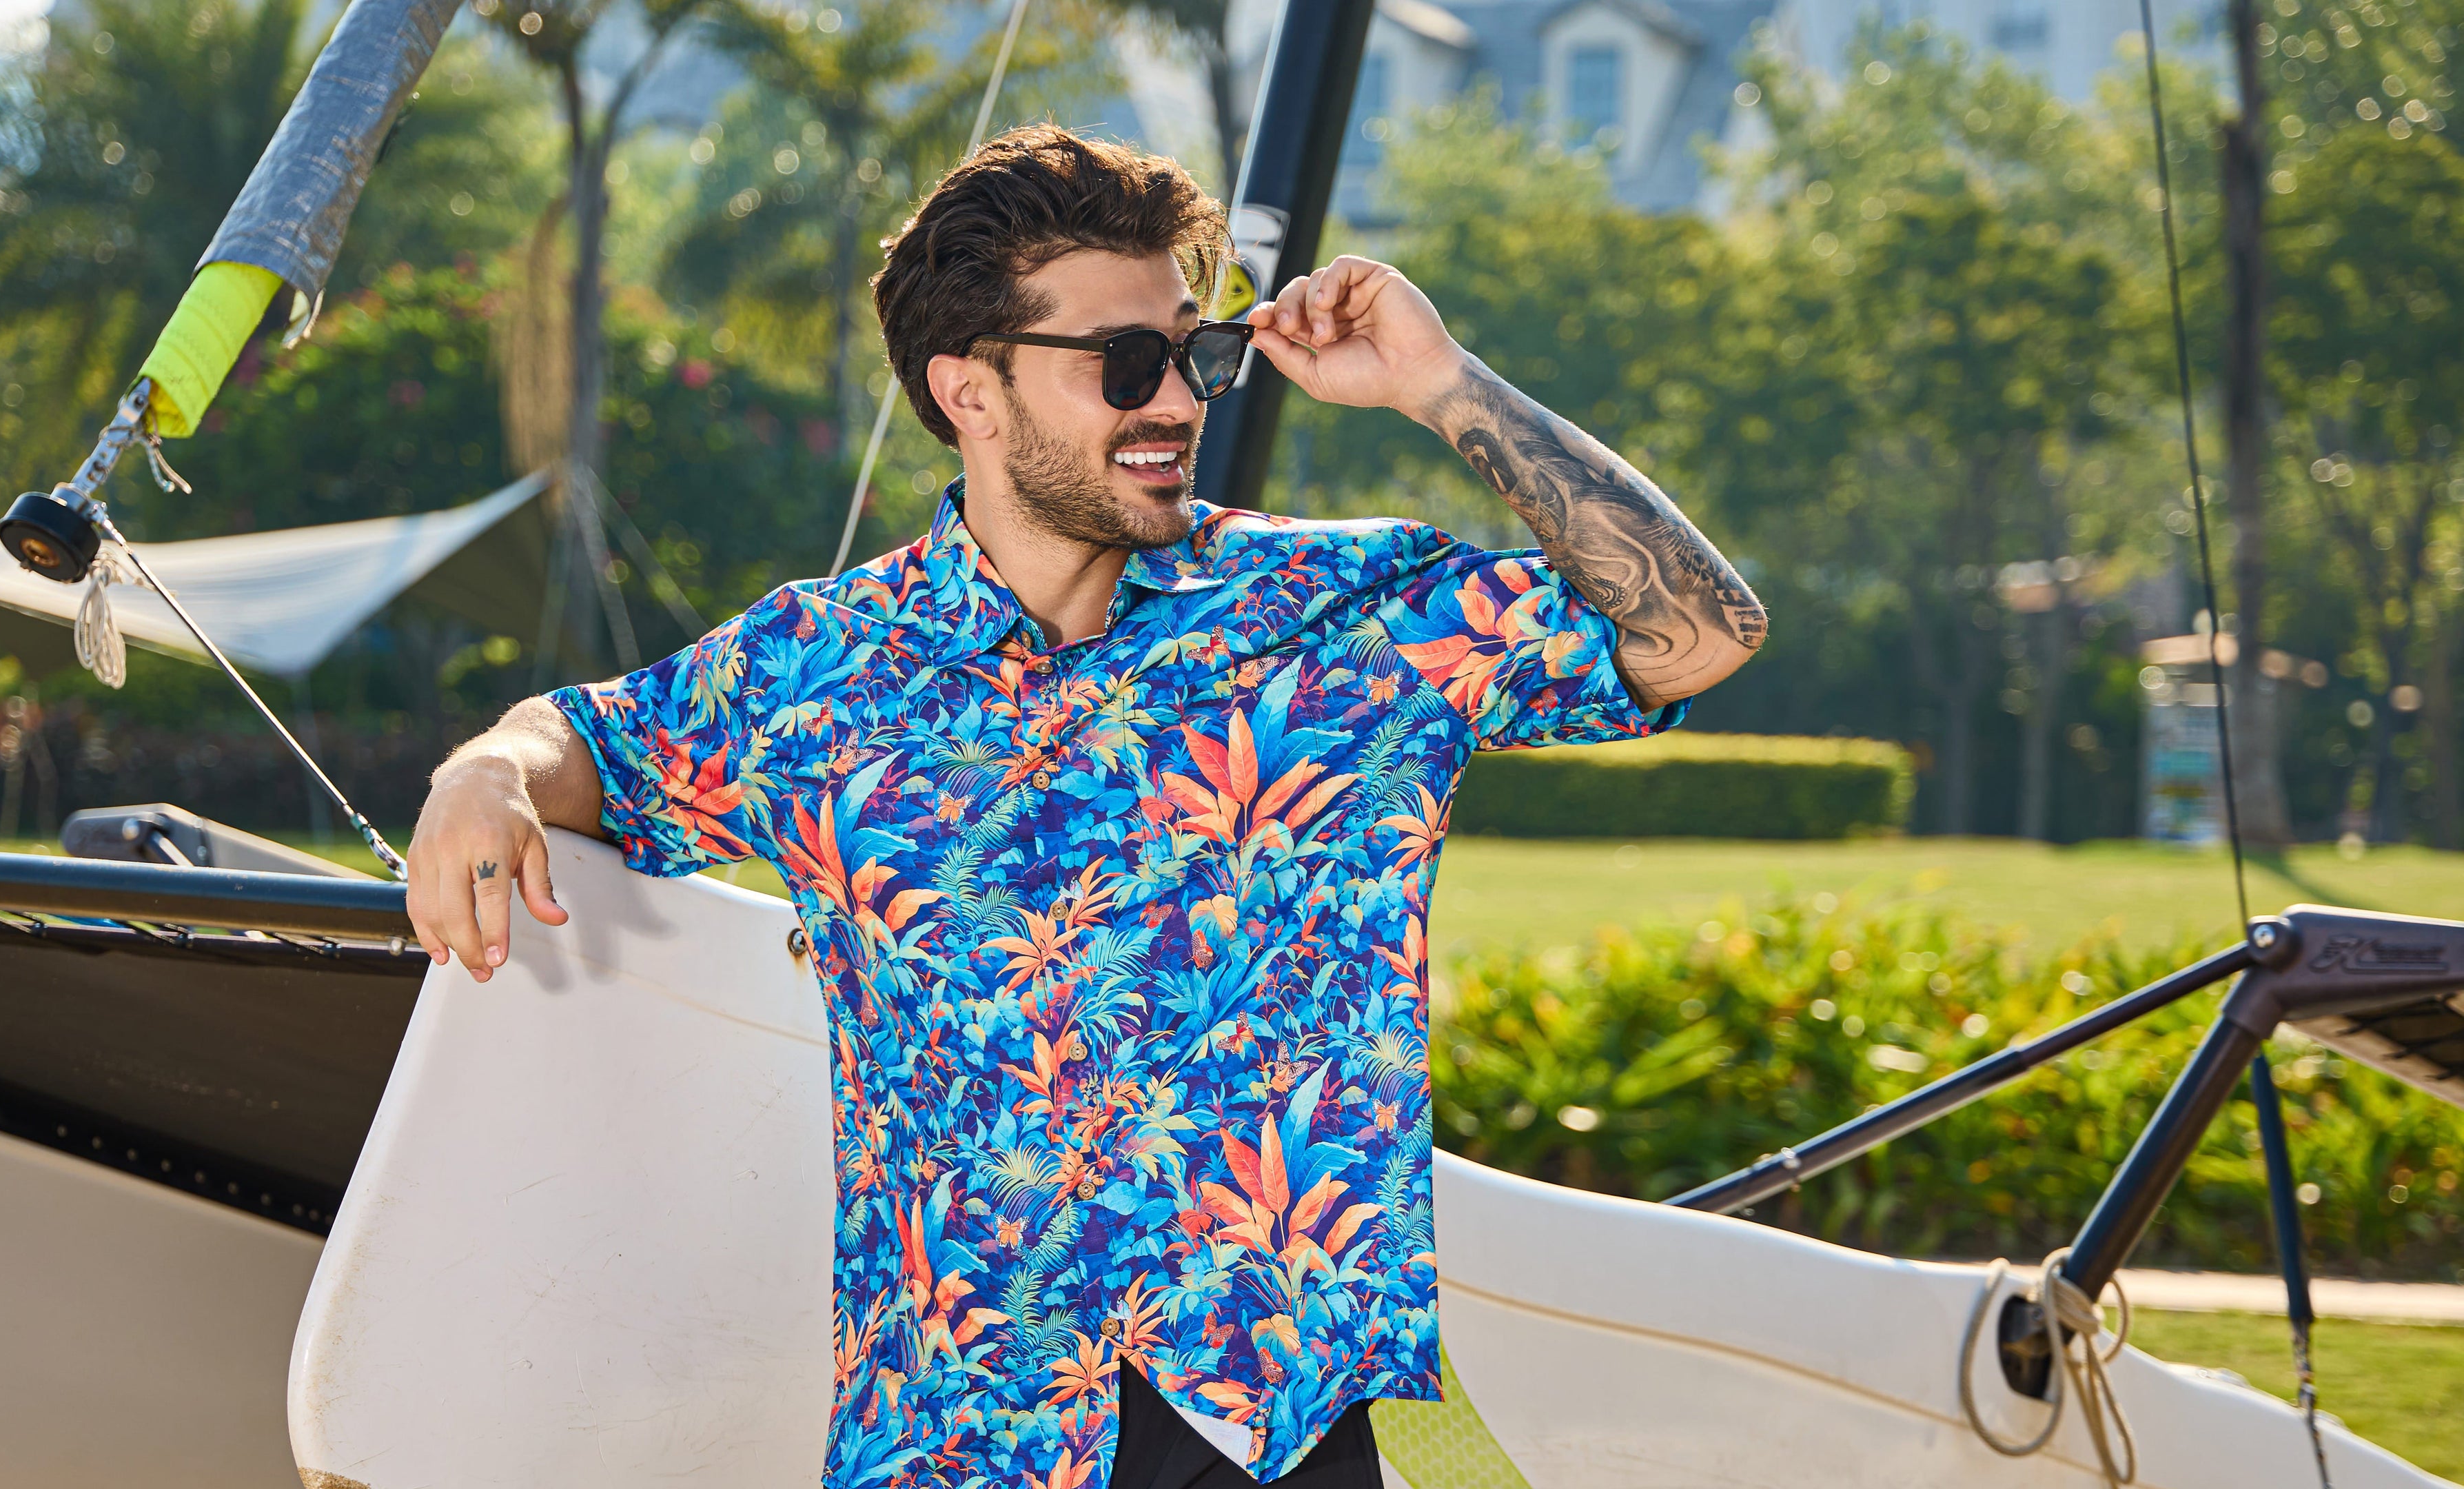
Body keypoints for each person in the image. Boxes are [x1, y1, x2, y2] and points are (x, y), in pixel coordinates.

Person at [405, 124, 1764, 1489]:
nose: (1178, 398)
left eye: (1198, 353)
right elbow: (580, 743)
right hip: (956, 1439)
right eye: (1127, 363)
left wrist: (1441, 385)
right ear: (971, 392)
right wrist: (484, 774)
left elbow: (1702, 635)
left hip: (1280, 1428)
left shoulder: (1350, 622)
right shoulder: (818, 674)